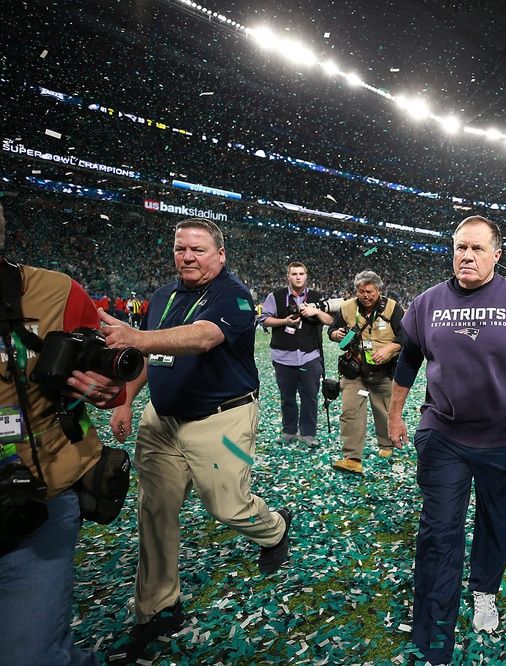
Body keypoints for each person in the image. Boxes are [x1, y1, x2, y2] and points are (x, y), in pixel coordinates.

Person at [101, 218, 292, 661]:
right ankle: (158, 609)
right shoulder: (164, 297)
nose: (187, 256)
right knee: (155, 512)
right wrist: (127, 400)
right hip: (161, 422)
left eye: (198, 250)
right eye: (180, 248)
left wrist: (137, 336)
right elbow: (151, 355)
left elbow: (205, 337)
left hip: (224, 422)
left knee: (228, 505)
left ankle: (275, 529)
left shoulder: (236, 296)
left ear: (220, 255)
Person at [387, 216, 506, 666]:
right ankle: (432, 623)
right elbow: (407, 362)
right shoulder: (426, 303)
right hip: (444, 433)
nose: (467, 255)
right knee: (440, 528)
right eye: (461, 246)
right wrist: (395, 414)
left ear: (497, 255)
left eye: (478, 248)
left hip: (504, 438)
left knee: (494, 521)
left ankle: (484, 590)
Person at [0, 202, 127, 666]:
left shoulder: (55, 291)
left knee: (29, 655)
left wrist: (108, 389)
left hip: (38, 498)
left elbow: (109, 380)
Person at [328, 270, 404, 472]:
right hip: (355, 371)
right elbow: (332, 331)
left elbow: (406, 337)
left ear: (378, 290)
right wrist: (337, 334)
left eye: (370, 291)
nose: (366, 296)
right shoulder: (346, 308)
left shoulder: (392, 308)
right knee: (350, 412)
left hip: (384, 371)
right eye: (361, 291)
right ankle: (352, 458)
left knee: (384, 410)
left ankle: (386, 445)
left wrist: (389, 348)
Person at [259, 262, 333, 448]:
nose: (298, 277)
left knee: (310, 396)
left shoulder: (317, 297)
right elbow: (263, 319)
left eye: (301, 273)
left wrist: (315, 311)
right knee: (287, 397)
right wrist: (284, 321)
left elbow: (331, 320)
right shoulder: (275, 297)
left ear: (306, 276)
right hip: (283, 355)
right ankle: (289, 431)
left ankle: (308, 434)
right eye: (294, 274)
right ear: (288, 277)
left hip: (310, 355)